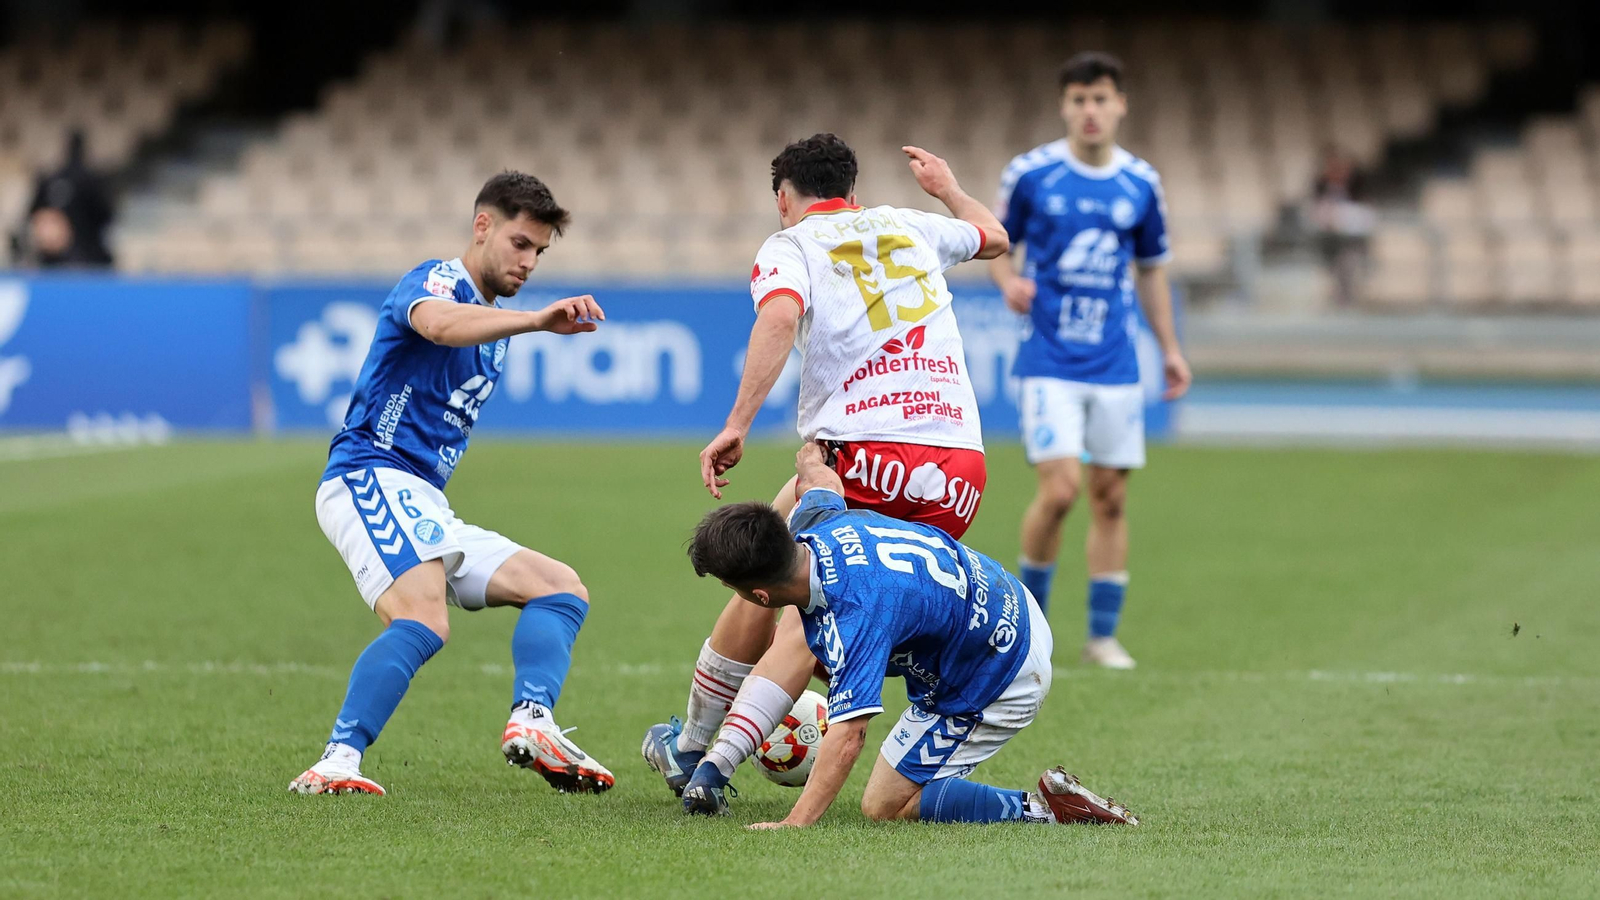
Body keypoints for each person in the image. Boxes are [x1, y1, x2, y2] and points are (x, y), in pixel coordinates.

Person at [641, 134, 1009, 796]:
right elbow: (993, 236)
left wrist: (738, 424)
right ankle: (914, 728)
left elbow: (779, 318)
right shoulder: (909, 223)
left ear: (784, 198)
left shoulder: (791, 245)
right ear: (852, 193)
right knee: (856, 600)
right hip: (960, 468)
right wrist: (948, 187)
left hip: (861, 452)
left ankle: (697, 750)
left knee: (772, 575)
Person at [288, 172, 615, 796]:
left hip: (421, 497)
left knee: (561, 589)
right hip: (368, 473)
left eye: (540, 252)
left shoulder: (491, 325)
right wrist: (535, 321)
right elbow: (437, 324)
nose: (529, 262)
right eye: (520, 243)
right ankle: (336, 762)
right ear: (482, 225)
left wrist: (519, 321)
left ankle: (533, 721)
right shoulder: (439, 282)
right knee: (424, 617)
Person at [678, 442, 1139, 828]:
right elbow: (823, 485)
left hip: (1000, 669)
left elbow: (849, 736)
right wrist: (812, 459)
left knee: (884, 805)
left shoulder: (855, 611)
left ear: (759, 595)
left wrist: (793, 824)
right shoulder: (816, 526)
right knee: (824, 658)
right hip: (1007, 599)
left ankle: (1051, 811)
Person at [988, 52, 1192, 669]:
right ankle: (1035, 628)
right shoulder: (1032, 174)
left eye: (1100, 98)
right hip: (1049, 359)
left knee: (1109, 498)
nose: (1090, 111)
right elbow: (995, 240)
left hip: (1116, 364)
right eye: (1078, 100)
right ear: (1064, 107)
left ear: (1120, 104)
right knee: (1060, 490)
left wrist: (1171, 348)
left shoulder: (1140, 184)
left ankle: (1102, 636)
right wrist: (1006, 282)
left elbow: (1151, 272)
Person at [15, 131, 114, 268]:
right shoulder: (54, 180)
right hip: (68, 259)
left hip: (85, 259)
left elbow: (105, 217)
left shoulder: (89, 181)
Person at [1309, 145, 1375, 308]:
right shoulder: (1319, 188)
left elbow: (1366, 216)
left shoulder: (1359, 189)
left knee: (1349, 259)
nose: (1339, 172)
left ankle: (1345, 299)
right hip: (1325, 242)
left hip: (1351, 242)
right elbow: (1315, 215)